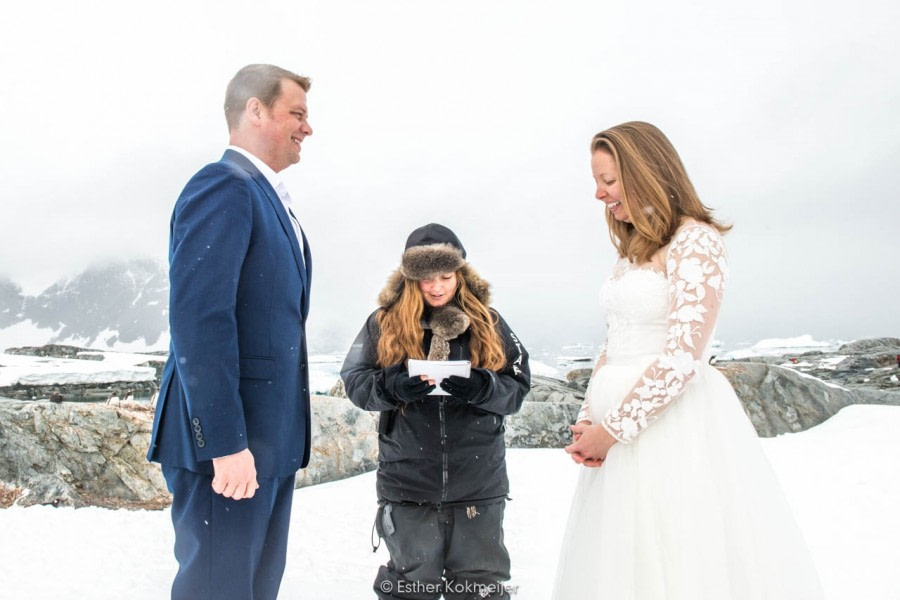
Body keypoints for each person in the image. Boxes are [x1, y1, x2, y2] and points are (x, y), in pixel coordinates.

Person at [552, 122, 823, 599]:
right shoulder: (635, 251)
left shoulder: (695, 241)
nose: (599, 194)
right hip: (616, 439)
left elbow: (682, 356)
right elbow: (614, 342)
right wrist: (588, 419)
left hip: (671, 433)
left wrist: (611, 431)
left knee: (678, 559)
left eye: (609, 181)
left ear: (646, 172)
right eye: (597, 181)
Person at [147, 64, 314, 600]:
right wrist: (225, 443)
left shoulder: (269, 196)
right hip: (230, 449)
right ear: (255, 110)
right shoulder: (222, 187)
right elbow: (200, 319)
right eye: (297, 114)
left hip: (269, 446)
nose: (307, 128)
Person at [341, 223, 530, 600]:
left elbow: (517, 388)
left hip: (478, 485)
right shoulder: (384, 323)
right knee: (410, 591)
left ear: (460, 274)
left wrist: (483, 387)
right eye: (427, 278)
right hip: (408, 484)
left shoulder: (489, 323)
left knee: (479, 590)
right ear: (411, 279)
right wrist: (391, 385)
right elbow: (356, 382)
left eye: (446, 276)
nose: (438, 286)